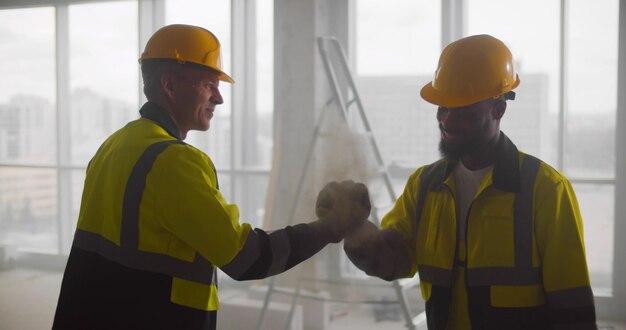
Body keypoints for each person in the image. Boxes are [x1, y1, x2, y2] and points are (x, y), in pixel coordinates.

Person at [52, 24, 371, 330]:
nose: (218, 98)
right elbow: (248, 259)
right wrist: (331, 227)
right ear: (169, 85)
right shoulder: (173, 161)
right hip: (152, 317)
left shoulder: (117, 143)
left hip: (93, 312)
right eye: (209, 84)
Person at [343, 34, 597, 330]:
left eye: (463, 110)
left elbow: (572, 307)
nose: (447, 121)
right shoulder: (424, 185)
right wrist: (355, 228)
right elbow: (394, 262)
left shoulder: (546, 190)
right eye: (443, 107)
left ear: (498, 109)